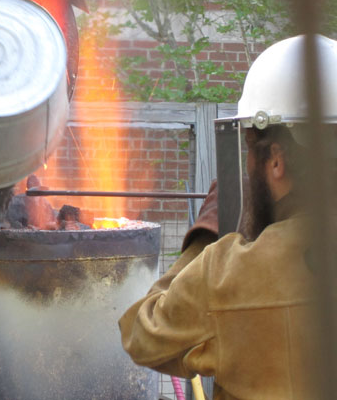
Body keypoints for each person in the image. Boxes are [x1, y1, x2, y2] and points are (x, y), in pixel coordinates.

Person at [119, 35, 337, 399]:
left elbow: (143, 334)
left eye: (250, 150)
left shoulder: (228, 274)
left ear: (277, 160)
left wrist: (205, 238)